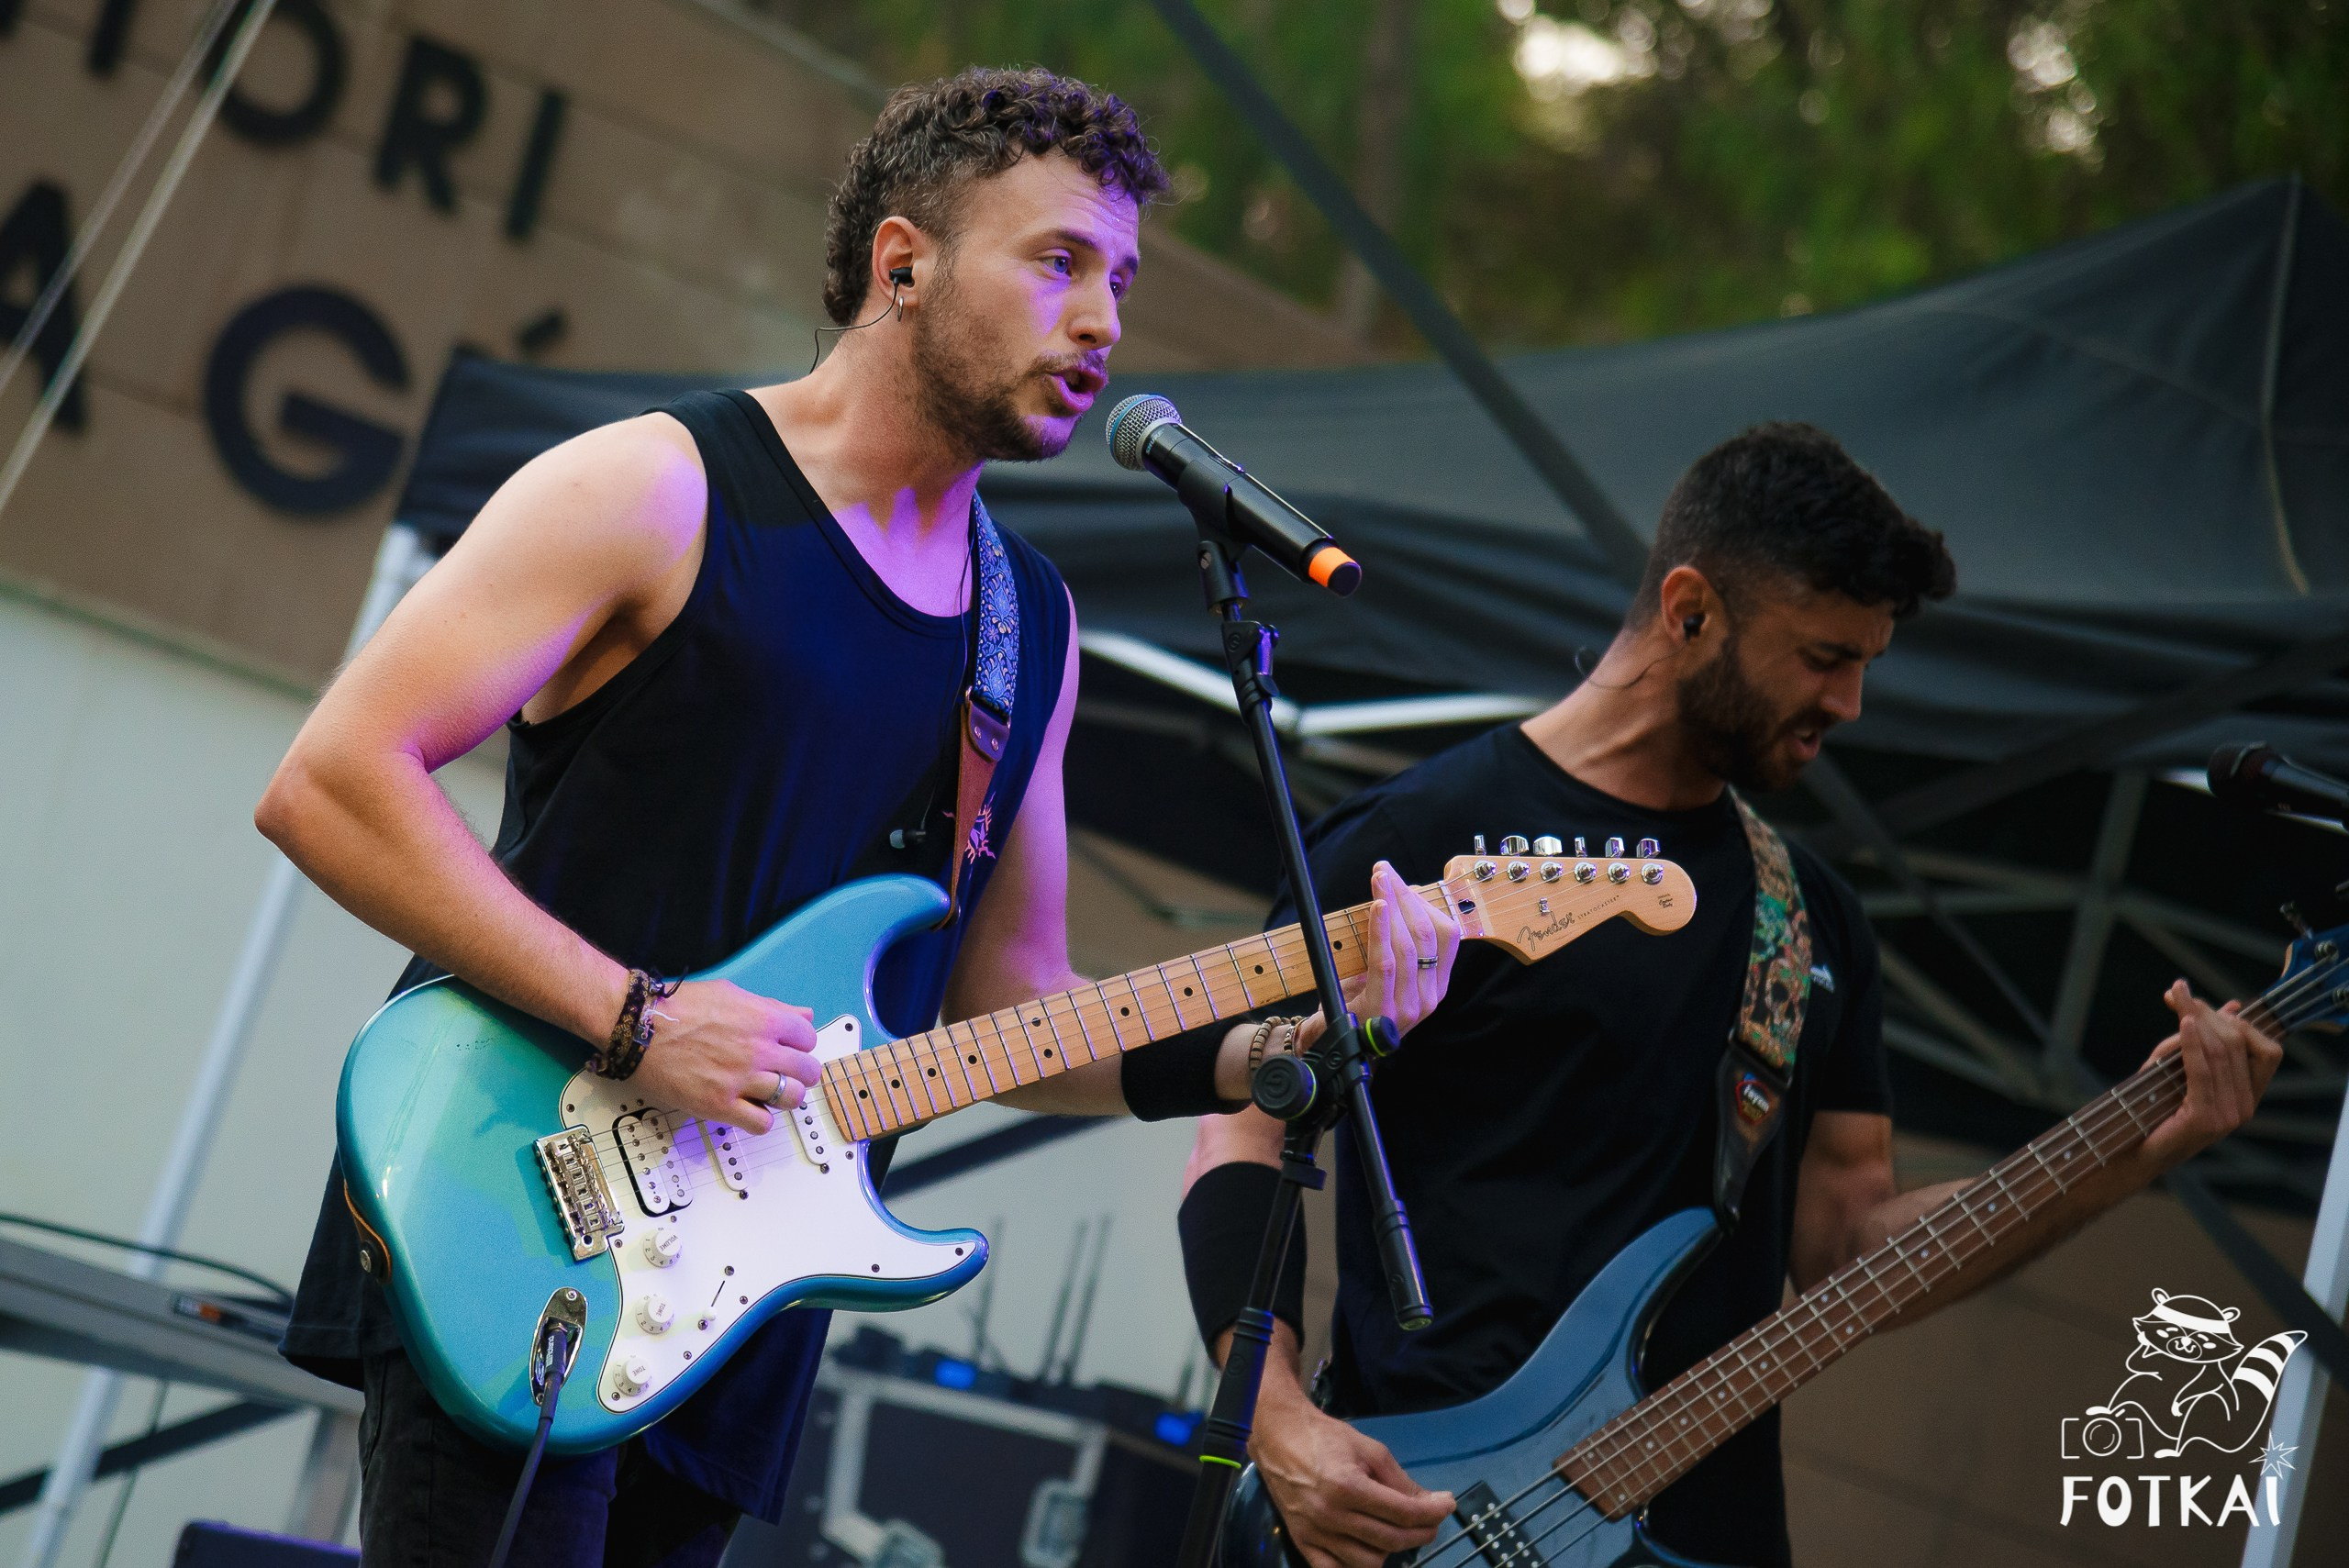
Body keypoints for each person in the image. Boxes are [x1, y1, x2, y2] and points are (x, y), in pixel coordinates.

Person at [258, 68, 1455, 1568]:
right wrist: (639, 1018)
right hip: (519, 1222)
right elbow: (333, 777)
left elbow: (1012, 1007)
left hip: (735, 1302)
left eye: (1124, 280)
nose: (1104, 323)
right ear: (903, 264)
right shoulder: (660, 487)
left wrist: (1258, 1047)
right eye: (1059, 261)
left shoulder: (1028, 626)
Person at [1173, 423, 2284, 1568]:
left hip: (1705, 1533)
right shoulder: (1419, 840)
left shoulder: (1803, 915)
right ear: (1689, 610)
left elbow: (1851, 1243)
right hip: (1416, 1513)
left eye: (1866, 661)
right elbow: (1242, 1124)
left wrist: (2132, 1141)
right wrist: (1275, 1419)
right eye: (1821, 655)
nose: (1850, 701)